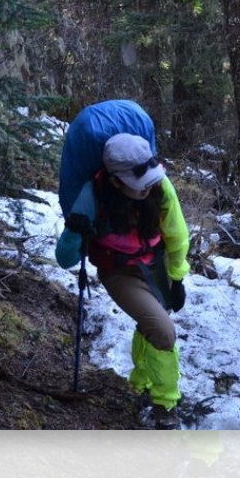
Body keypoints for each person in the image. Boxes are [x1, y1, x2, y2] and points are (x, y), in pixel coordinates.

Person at [55, 100, 190, 430]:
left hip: (154, 265)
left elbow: (177, 234)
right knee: (162, 331)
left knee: (150, 325)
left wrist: (177, 276)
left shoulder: (159, 187)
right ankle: (166, 406)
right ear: (114, 180)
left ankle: (141, 382)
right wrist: (77, 229)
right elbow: (65, 258)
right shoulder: (93, 195)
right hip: (120, 271)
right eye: (136, 182)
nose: (146, 187)